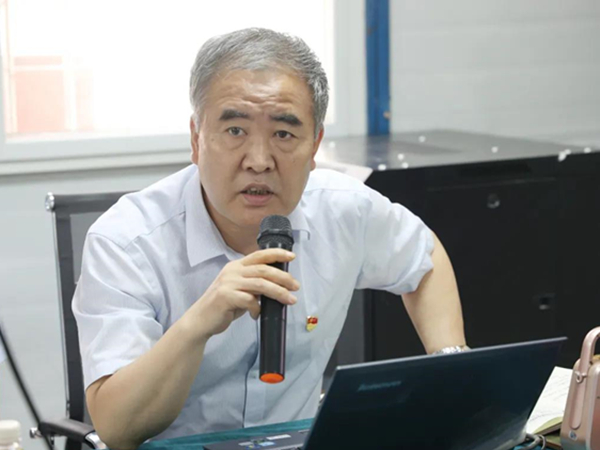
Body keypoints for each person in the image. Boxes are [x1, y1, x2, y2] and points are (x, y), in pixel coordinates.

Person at [73, 28, 467, 450]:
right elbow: (116, 428)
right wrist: (197, 324)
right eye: (235, 130)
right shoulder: (126, 242)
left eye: (283, 134)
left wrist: (452, 369)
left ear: (314, 146)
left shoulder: (344, 209)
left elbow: (424, 258)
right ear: (196, 139)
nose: (259, 161)